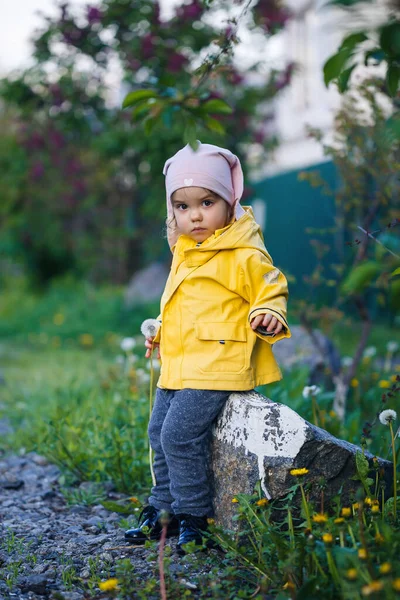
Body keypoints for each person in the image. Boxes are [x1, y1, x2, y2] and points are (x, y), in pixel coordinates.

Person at [125, 141, 291, 555]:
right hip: (181, 362)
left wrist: (269, 313)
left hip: (218, 362)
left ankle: (194, 518)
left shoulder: (242, 251)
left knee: (179, 436)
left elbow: (271, 287)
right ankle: (161, 511)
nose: (194, 214)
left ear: (229, 201)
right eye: (182, 206)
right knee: (157, 433)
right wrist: (162, 329)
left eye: (206, 201)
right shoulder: (187, 251)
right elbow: (186, 304)